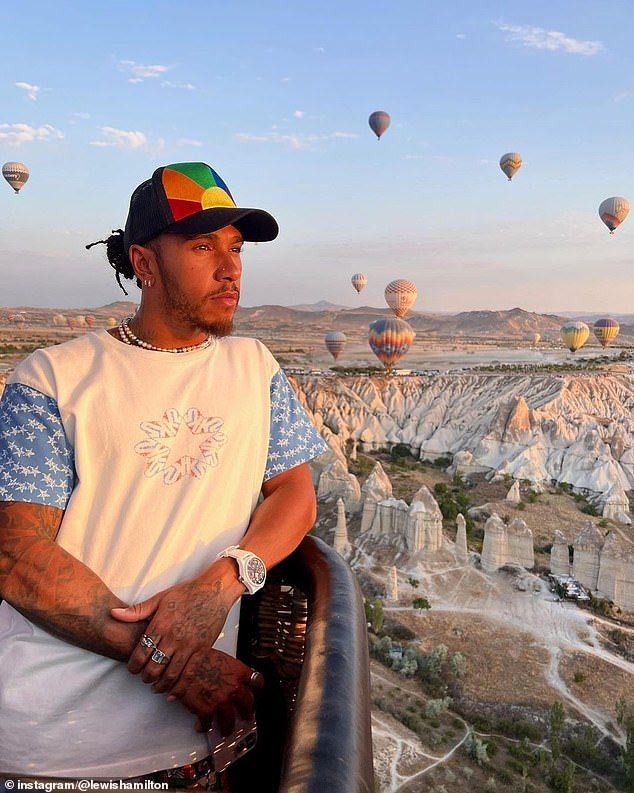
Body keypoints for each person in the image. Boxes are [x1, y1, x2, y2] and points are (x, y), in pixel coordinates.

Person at [0, 162, 327, 788]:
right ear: (143, 263)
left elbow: (294, 493)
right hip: (50, 752)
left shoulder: (254, 367)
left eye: (235, 249)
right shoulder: (51, 378)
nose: (230, 269)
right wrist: (175, 659)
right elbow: (15, 552)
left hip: (192, 747)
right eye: (203, 246)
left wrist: (222, 583)